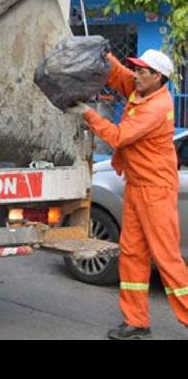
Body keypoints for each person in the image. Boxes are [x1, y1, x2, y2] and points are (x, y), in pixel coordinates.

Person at [67, 49, 188, 339]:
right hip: (136, 186)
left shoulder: (157, 107)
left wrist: (87, 114)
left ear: (157, 77)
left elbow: (119, 137)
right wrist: (103, 53)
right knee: (132, 255)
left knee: (167, 259)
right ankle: (136, 322)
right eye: (135, 69)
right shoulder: (142, 89)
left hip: (156, 190)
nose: (134, 75)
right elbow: (119, 75)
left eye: (141, 71)